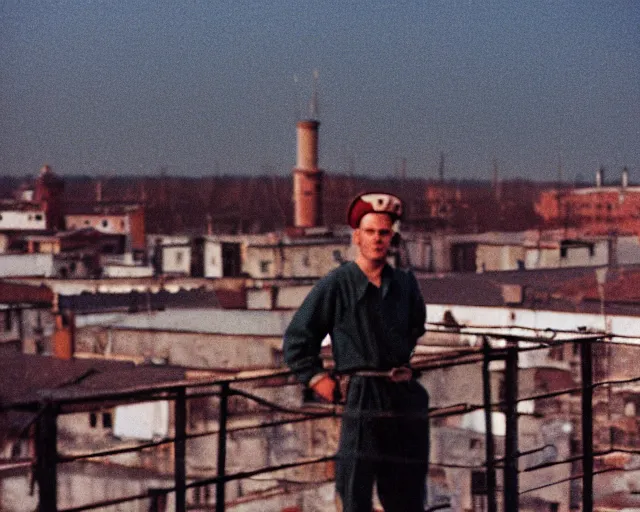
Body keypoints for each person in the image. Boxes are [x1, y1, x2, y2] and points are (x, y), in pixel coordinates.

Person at [283, 192, 430, 512]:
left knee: (407, 489)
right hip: (362, 393)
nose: (377, 239)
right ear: (356, 237)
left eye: (384, 233)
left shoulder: (404, 284)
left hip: (402, 392)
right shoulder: (338, 284)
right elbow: (297, 340)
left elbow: (416, 326)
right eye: (370, 232)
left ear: (392, 237)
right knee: (355, 487)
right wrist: (315, 377)